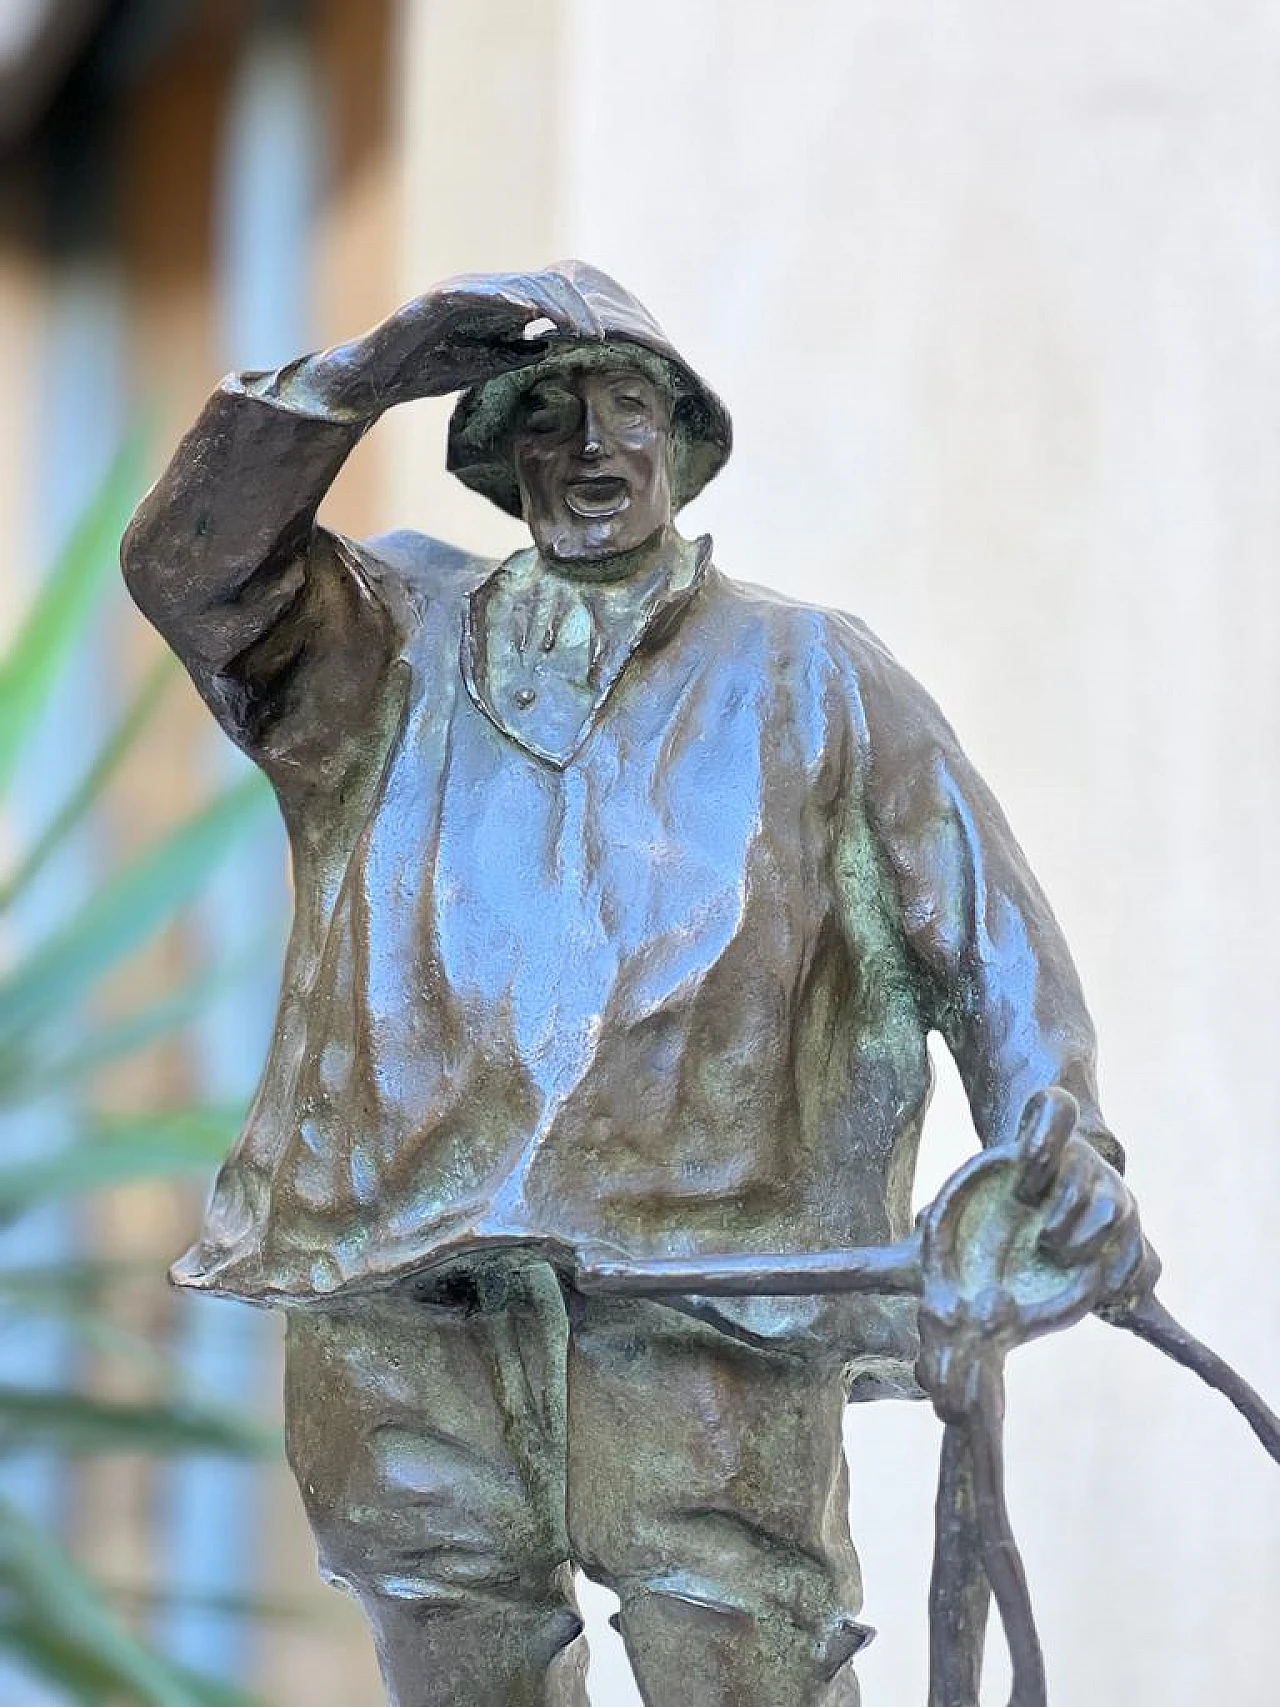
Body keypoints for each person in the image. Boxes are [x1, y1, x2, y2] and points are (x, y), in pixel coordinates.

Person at [122, 261, 1141, 1707]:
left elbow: (989, 930)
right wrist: (357, 379)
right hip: (408, 1297)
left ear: (680, 442)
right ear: (499, 460)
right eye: (547, 420)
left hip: (711, 1296)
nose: (591, 451)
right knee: (448, 1652)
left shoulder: (811, 673)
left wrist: (1061, 1137)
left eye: (625, 411)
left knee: (751, 1661)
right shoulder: (387, 631)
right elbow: (191, 570)